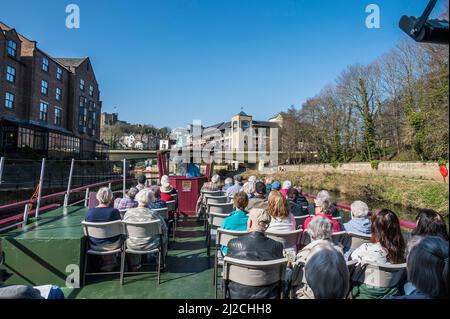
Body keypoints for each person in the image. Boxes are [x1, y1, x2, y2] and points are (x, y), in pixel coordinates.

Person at [226, 208, 284, 299]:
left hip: (236, 295)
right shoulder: (277, 246)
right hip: (269, 295)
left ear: (250, 223)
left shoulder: (233, 244)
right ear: (266, 226)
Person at [350, 209, 406, 299]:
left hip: (364, 292)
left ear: (375, 228)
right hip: (392, 292)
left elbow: (351, 263)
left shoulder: (365, 248)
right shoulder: (404, 251)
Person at [290, 216, 344, 299]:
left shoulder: (305, 253)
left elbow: (295, 281)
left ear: (313, 234)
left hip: (311, 295)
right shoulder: (339, 250)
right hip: (335, 293)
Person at [123, 189, 168, 271]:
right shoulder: (154, 214)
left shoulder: (128, 213)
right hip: (150, 245)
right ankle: (160, 264)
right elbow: (164, 229)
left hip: (131, 245)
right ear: (151, 200)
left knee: (132, 236)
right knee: (164, 236)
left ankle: (134, 264)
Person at [85, 187, 122, 271]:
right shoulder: (114, 212)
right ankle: (112, 261)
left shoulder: (90, 212)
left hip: (94, 245)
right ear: (111, 198)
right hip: (114, 245)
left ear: (97, 197)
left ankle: (105, 262)